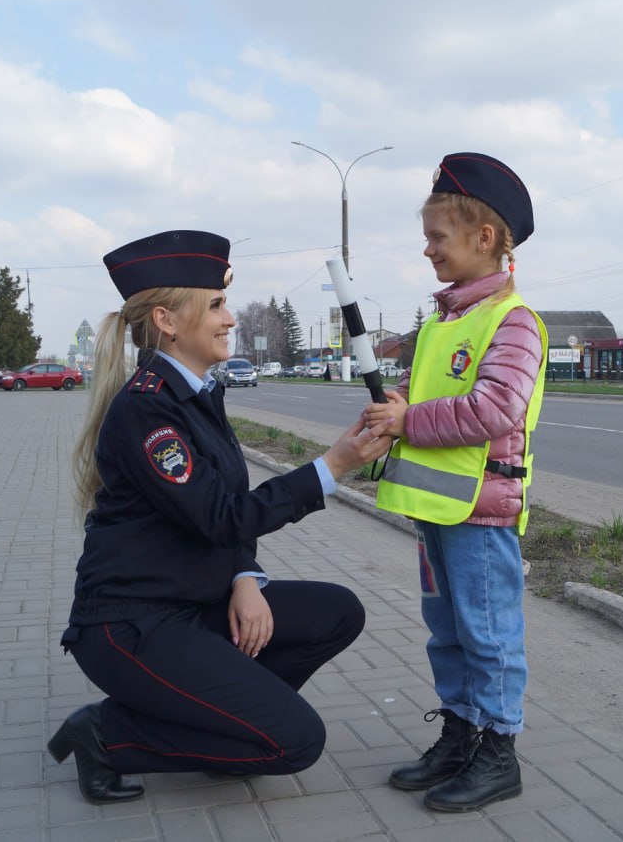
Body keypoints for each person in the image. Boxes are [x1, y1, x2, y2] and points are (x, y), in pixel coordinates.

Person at [49, 230, 394, 805]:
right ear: (167, 320)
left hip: (190, 602)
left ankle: (224, 728)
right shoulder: (146, 409)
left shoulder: (196, 395)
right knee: (296, 744)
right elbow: (222, 515)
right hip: (134, 625)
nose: (230, 318)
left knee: (338, 612)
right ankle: (107, 735)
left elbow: (213, 513)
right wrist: (334, 465)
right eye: (215, 305)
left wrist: (243, 578)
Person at [363, 153, 547, 812]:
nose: (427, 249)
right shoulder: (443, 322)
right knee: (447, 628)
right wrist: (396, 403)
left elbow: (495, 409)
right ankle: (460, 730)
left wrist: (409, 416)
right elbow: (432, 392)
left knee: (488, 630)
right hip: (436, 511)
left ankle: (498, 751)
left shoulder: (514, 322)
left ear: (484, 238)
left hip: (481, 512)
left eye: (437, 237)